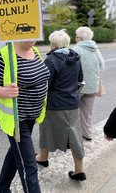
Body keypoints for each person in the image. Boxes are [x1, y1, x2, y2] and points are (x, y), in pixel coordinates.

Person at [0, 41, 50, 193]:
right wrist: (4, 91)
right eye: (31, 34)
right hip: (16, 119)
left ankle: (2, 188)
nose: (35, 39)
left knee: (17, 153)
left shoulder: (34, 50)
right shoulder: (4, 55)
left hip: (33, 115)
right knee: (29, 166)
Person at [36, 30, 86, 181]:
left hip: (55, 104)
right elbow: (80, 79)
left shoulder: (51, 60)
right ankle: (79, 169)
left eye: (51, 42)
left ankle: (43, 157)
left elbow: (45, 83)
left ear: (54, 44)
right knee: (74, 134)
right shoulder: (75, 58)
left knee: (46, 129)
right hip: (72, 103)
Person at [73, 26, 105, 141]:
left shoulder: (77, 48)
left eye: (76, 36)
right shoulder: (95, 48)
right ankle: (87, 134)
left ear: (80, 38)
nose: (75, 38)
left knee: (73, 111)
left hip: (79, 86)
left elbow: (72, 67)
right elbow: (102, 65)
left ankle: (74, 135)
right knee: (87, 112)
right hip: (92, 86)